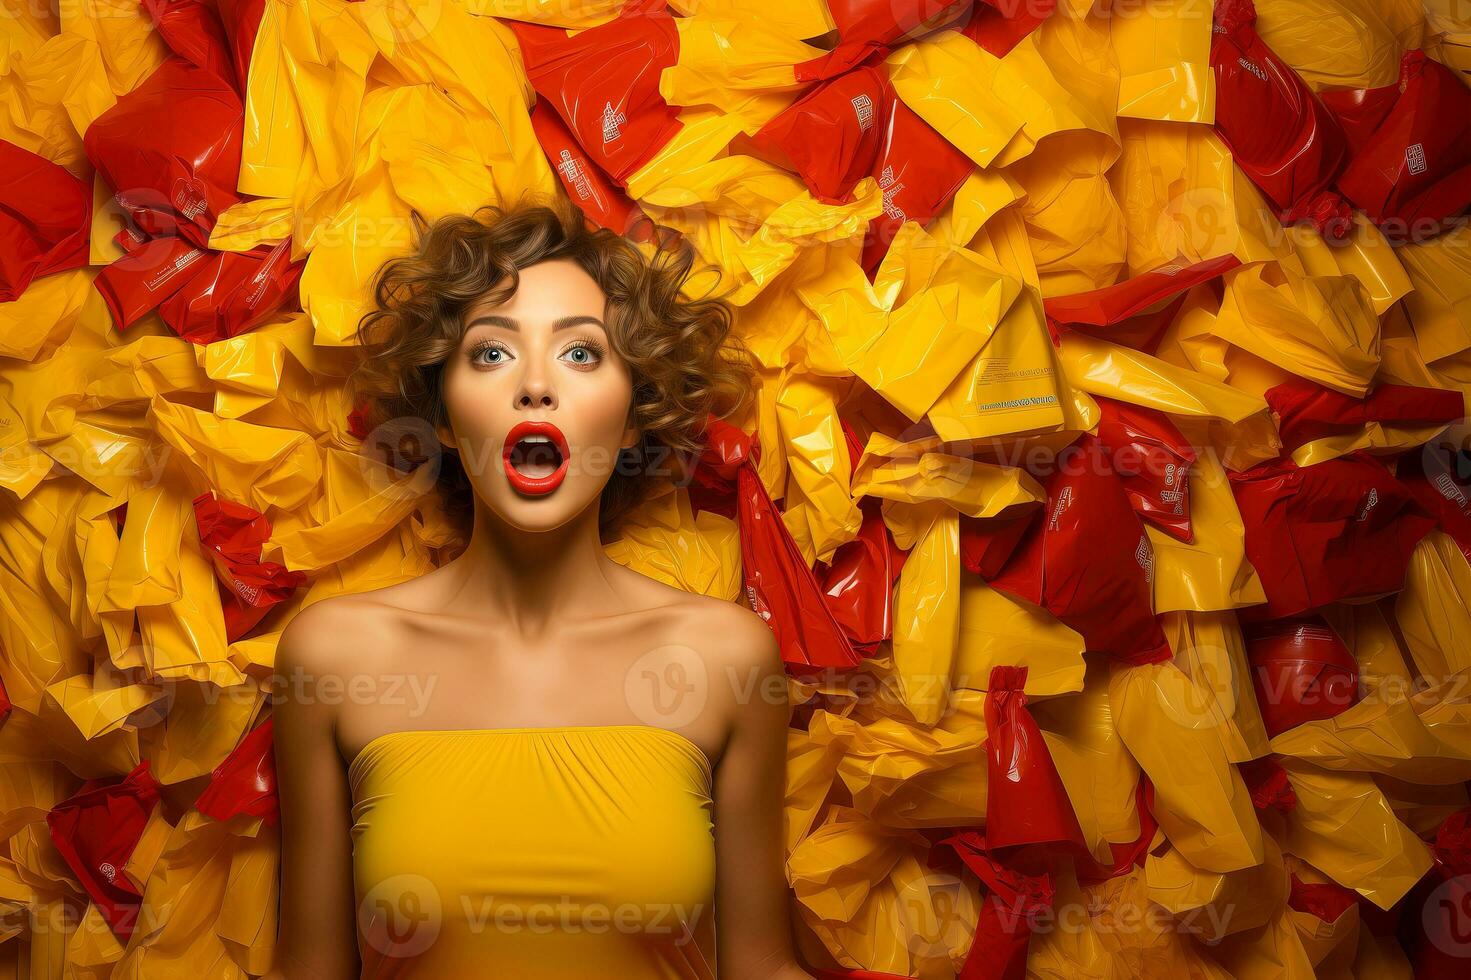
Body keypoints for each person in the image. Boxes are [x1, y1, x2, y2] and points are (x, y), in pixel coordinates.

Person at [265, 194, 814, 979]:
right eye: (489, 354)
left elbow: (760, 968)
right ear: (445, 418)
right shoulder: (335, 655)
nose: (533, 387)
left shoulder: (722, 658)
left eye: (581, 354)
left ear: (633, 417)